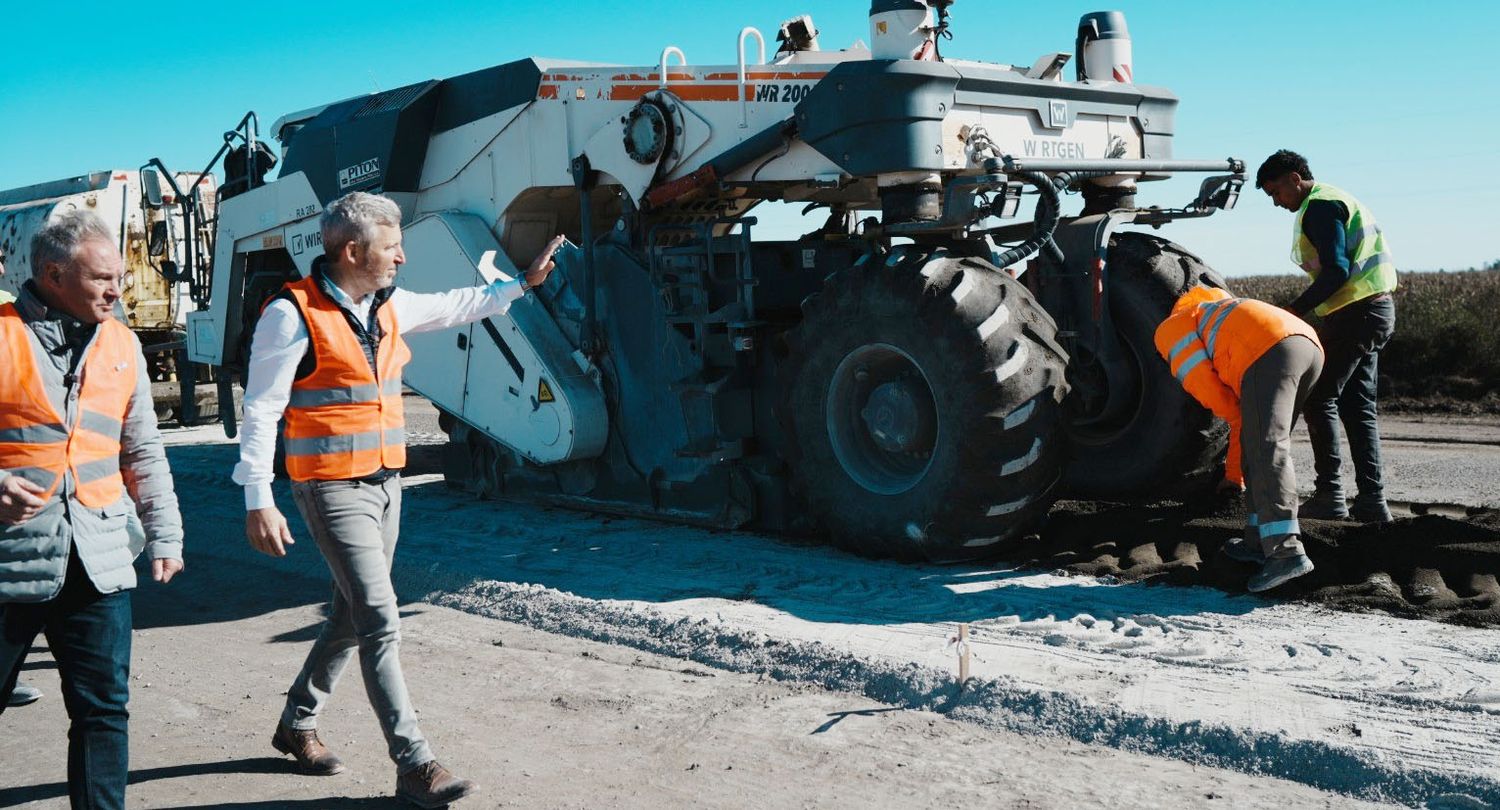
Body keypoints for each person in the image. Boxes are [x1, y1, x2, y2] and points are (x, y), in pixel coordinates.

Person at [235, 191, 564, 808]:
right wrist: (258, 496)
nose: (402, 258)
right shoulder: (291, 315)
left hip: (386, 483)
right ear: (353, 251)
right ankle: (415, 764)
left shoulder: (387, 306)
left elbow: (457, 305)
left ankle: (295, 724)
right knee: (379, 618)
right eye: (392, 247)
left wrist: (522, 283)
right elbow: (261, 410)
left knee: (350, 614)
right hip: (329, 485)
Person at [0, 211, 185, 809]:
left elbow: (142, 448)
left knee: (104, 710)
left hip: (98, 556)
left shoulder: (123, 343)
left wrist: (166, 533)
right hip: (9, 559)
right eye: (103, 278)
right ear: (54, 274)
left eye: (120, 278)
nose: (116, 290)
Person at [1257, 149, 1397, 523]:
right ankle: (1372, 502)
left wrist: (1291, 312)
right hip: (1374, 310)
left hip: (1356, 314)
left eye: (1276, 192)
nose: (1276, 202)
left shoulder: (1319, 207)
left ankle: (1330, 497)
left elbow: (1336, 270)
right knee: (1358, 408)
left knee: (1319, 399)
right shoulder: (1336, 198)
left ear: (1294, 178)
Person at [1156, 285, 1324, 592]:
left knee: (1267, 448)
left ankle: (1286, 552)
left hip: (1272, 351)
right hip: (1308, 347)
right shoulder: (1222, 313)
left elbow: (1214, 395)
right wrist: (1236, 474)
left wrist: (1232, 480)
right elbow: (1244, 424)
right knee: (1261, 441)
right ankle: (1258, 541)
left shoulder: (1172, 327)